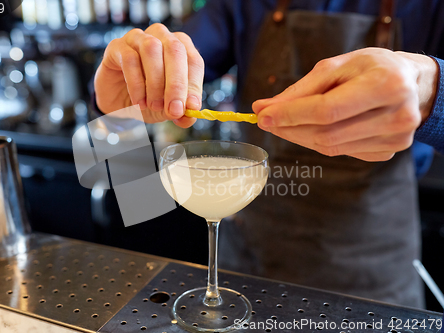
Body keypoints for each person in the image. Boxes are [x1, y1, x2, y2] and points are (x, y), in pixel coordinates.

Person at [94, 0, 444, 308]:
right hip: (249, 264)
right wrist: (138, 83)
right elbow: (176, 63)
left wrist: (432, 90)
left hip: (371, 275)